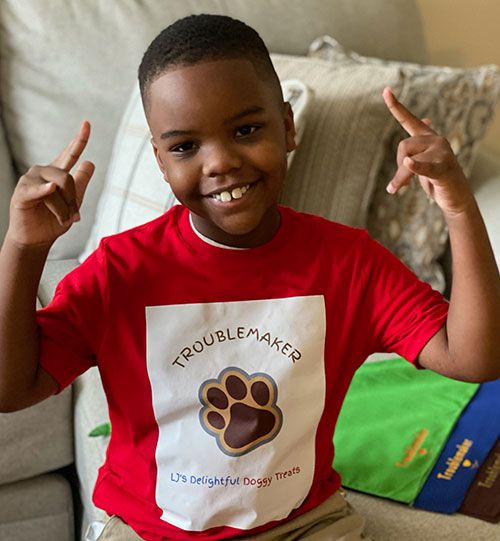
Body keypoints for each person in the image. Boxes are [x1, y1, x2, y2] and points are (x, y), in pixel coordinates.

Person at [0, 13, 499, 541]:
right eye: (185, 147)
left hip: (306, 524)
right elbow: (11, 389)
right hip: (150, 531)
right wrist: (23, 248)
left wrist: (459, 207)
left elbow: (475, 357)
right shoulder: (119, 272)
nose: (220, 162)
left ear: (288, 127)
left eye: (245, 130)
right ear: (161, 162)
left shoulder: (349, 263)